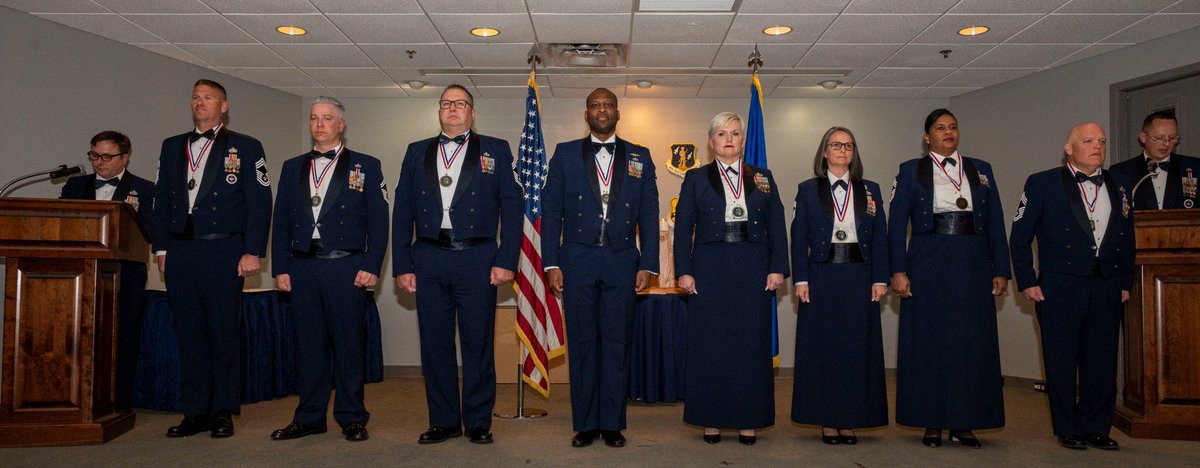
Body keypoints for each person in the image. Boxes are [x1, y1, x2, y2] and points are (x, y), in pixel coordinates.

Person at [392, 84, 521, 445]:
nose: (452, 108)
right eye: (446, 103)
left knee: (478, 343)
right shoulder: (416, 151)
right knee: (435, 344)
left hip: (478, 258)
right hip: (429, 257)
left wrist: (506, 259)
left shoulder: (496, 149)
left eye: (460, 103)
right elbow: (402, 210)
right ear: (439, 111)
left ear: (472, 113)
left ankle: (479, 421)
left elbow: (512, 209)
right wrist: (403, 263)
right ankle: (444, 421)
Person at [152, 79, 272, 438]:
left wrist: (253, 250)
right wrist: (161, 248)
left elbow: (260, 202)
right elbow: (160, 201)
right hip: (181, 250)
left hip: (224, 249)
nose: (199, 102)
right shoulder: (172, 146)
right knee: (190, 334)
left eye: (207, 98)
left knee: (222, 333)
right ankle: (195, 412)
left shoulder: (246, 146)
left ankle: (222, 411)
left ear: (223, 106)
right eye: (195, 97)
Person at [541, 87, 659, 448]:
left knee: (616, 343)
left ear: (618, 113)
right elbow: (552, 211)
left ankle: (612, 423)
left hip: (623, 261)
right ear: (587, 113)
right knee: (582, 343)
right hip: (577, 260)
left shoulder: (640, 155)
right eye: (595, 105)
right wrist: (551, 262)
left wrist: (649, 263)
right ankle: (586, 423)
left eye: (608, 105)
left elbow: (650, 214)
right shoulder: (564, 154)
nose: (602, 110)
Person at [888, 108, 1010, 449]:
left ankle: (964, 421)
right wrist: (898, 270)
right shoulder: (910, 171)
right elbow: (896, 225)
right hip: (928, 261)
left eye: (953, 127)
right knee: (930, 342)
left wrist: (1000, 267)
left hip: (972, 263)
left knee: (970, 343)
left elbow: (997, 221)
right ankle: (931, 421)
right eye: (940, 128)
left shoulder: (981, 170)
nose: (948, 132)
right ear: (928, 136)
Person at [269, 97, 387, 442]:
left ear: (341, 125)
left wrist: (371, 265)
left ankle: (352, 416)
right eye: (314, 118)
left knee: (349, 345)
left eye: (327, 118)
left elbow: (379, 222)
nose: (319, 124)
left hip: (347, 267)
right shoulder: (292, 166)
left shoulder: (366, 165)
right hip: (302, 266)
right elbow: (282, 221)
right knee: (308, 347)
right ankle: (309, 417)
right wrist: (281, 267)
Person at [1010, 122, 1134, 451]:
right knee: (1061, 360)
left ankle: (1096, 427)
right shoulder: (1041, 184)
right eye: (1089, 141)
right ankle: (1068, 427)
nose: (1098, 146)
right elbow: (1019, 238)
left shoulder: (1119, 185)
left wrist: (1125, 281)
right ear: (1069, 148)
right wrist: (1027, 281)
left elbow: (1127, 240)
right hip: (1059, 287)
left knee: (1102, 360)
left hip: (1106, 287)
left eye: (1102, 141)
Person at [674, 112, 787, 445]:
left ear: (741, 140)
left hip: (753, 265)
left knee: (749, 346)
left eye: (735, 133)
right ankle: (711, 420)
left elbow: (777, 225)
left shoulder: (763, 177)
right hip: (710, 266)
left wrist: (777, 266)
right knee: (711, 345)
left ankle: (748, 420)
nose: (728, 139)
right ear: (711, 142)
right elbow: (683, 229)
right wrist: (684, 269)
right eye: (721, 133)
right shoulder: (695, 178)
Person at [790, 126, 889, 445]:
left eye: (849, 146)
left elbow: (881, 239)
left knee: (856, 350)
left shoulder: (870, 189)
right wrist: (801, 278)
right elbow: (798, 237)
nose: (843, 151)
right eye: (836, 145)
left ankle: (851, 420)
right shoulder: (807, 190)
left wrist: (880, 277)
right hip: (821, 275)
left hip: (859, 276)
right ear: (824, 151)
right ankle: (827, 422)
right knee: (824, 349)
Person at [60, 130, 155, 411]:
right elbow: (63, 225)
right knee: (79, 338)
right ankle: (77, 399)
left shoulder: (146, 189)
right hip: (79, 275)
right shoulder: (74, 186)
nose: (99, 162)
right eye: (94, 155)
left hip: (125, 275)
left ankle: (119, 403)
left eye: (106, 156)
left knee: (122, 340)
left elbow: (150, 231)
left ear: (125, 157)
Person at [1108, 110, 1199, 210]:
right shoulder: (1120, 172)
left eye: (1173, 138)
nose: (1167, 144)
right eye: (1160, 138)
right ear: (1143, 137)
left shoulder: (1194, 167)